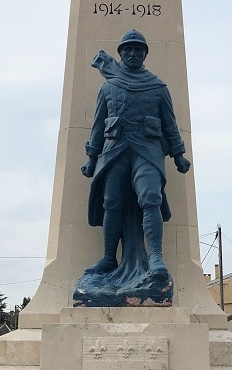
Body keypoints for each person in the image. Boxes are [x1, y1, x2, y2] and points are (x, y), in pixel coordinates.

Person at [81, 29, 190, 283]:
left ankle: (155, 258)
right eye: (127, 49)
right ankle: (109, 257)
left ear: (144, 54)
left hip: (147, 149)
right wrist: (92, 158)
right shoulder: (108, 87)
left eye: (137, 49)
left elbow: (170, 124)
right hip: (115, 150)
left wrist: (178, 154)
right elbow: (98, 126)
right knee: (112, 202)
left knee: (151, 197)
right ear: (120, 54)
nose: (132, 53)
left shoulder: (158, 87)